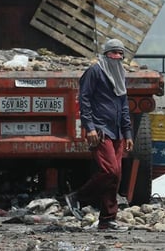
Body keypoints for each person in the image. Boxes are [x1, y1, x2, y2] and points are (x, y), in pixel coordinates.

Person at [65, 39, 134, 232]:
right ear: (106, 55)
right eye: (113, 53)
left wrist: (128, 132)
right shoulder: (95, 72)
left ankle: (107, 219)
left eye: (120, 54)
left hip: (118, 131)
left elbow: (124, 106)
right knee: (110, 170)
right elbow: (84, 100)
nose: (117, 57)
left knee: (116, 176)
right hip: (101, 129)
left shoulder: (120, 74)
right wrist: (90, 127)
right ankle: (78, 197)